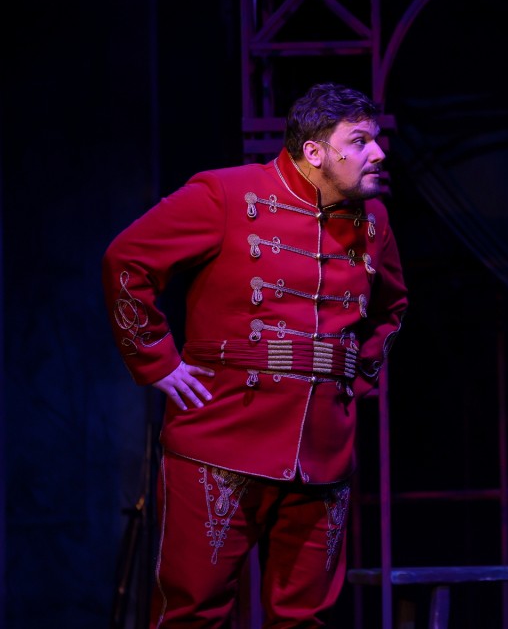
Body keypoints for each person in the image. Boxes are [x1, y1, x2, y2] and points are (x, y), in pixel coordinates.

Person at [102, 82, 408, 626]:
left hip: (323, 452)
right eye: (360, 141)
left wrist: (354, 379)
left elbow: (392, 308)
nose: (379, 153)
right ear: (315, 151)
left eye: (376, 139)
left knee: (305, 618)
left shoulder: (375, 222)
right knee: (192, 613)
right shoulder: (225, 193)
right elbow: (128, 260)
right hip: (221, 441)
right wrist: (156, 360)